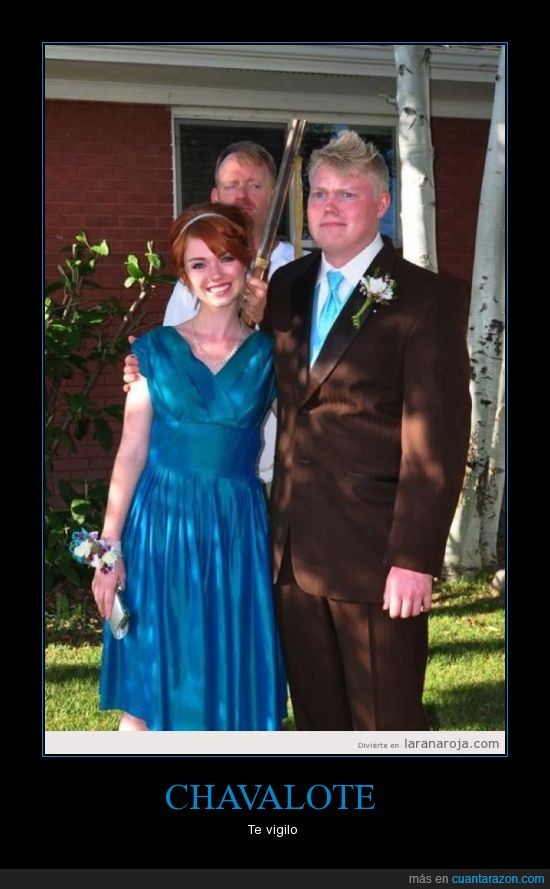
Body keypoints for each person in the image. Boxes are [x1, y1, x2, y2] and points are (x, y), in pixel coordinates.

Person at [264, 131, 471, 730]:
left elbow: (437, 439)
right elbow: (258, 376)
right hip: (292, 557)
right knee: (319, 725)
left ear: (382, 204)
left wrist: (414, 558)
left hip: (376, 559)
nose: (328, 207)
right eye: (319, 193)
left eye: (346, 194)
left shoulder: (426, 298)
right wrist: (152, 370)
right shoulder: (287, 286)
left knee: (386, 725)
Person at [92, 202, 287, 731]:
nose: (214, 274)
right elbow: (132, 451)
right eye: (199, 263)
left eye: (226, 258)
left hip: (234, 527)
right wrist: (109, 549)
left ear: (246, 262)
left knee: (229, 674)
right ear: (183, 274)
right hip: (162, 526)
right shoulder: (153, 350)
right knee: (150, 684)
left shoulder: (272, 356)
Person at [162, 141, 299, 488]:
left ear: (275, 197)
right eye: (231, 186)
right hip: (202, 466)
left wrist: (266, 321)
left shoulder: (300, 272)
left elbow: (309, 371)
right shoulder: (194, 282)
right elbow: (172, 366)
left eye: (255, 186)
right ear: (215, 195)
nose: (242, 197)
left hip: (282, 471)